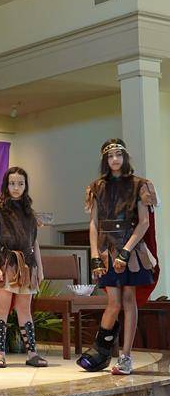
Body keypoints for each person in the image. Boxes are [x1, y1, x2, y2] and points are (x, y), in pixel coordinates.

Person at [77, 139, 160, 375]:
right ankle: (102, 350)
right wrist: (94, 254)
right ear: (105, 159)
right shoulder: (96, 186)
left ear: (125, 157)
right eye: (110, 155)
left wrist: (126, 251)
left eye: (118, 155)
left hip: (131, 249)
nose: (115, 159)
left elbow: (144, 222)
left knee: (128, 300)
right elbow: (93, 223)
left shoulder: (139, 185)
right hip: (106, 250)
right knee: (112, 302)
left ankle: (125, 357)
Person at [0, 167, 48, 369]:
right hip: (6, 262)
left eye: (20, 183)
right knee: (2, 307)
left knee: (24, 309)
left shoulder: (30, 214)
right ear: (6, 185)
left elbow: (34, 243)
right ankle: (0, 354)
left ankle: (32, 354)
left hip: (27, 265)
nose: (16, 187)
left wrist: (40, 268)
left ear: (26, 186)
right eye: (12, 183)